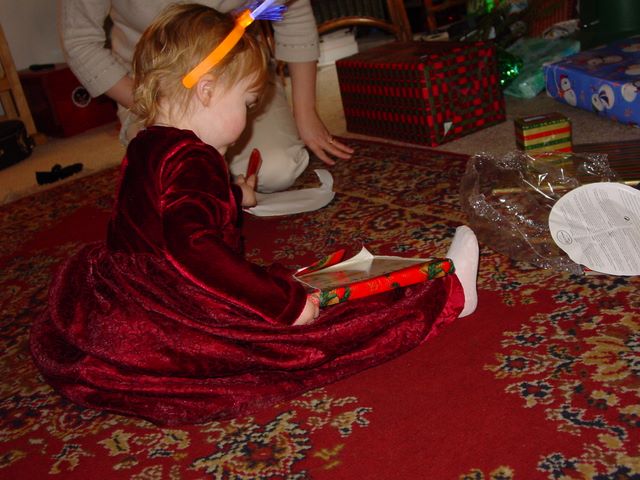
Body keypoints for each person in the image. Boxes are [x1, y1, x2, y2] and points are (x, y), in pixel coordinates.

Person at [31, 3, 479, 426]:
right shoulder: (195, 159)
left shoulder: (147, 143)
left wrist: (232, 194)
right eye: (247, 103)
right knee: (310, 335)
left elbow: (164, 210)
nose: (249, 116)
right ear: (207, 90)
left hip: (125, 296)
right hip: (179, 305)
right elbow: (195, 248)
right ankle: (449, 293)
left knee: (306, 282)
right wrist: (284, 305)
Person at [58, 0, 354, 193]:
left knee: (277, 169)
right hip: (147, 86)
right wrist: (155, 106)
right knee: (175, 179)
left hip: (237, 76)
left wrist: (305, 111)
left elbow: (290, 7)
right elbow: (79, 41)